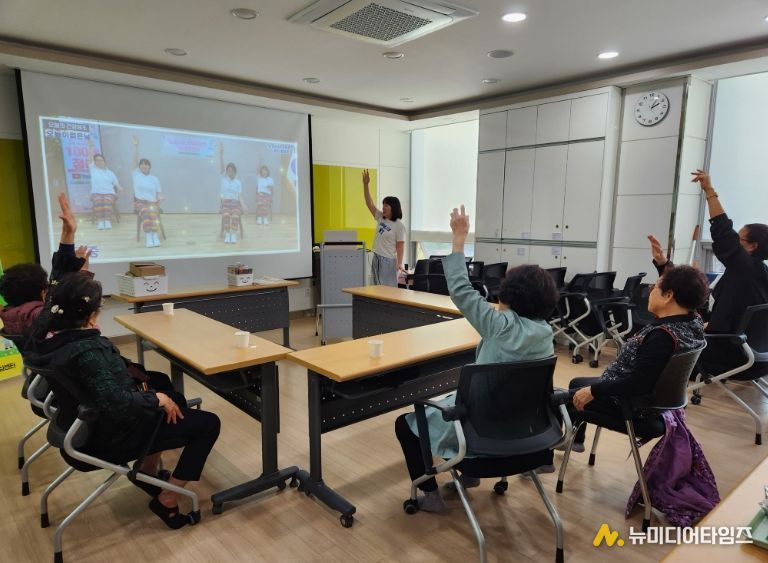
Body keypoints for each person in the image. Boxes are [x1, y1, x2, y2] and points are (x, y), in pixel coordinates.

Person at [394, 205, 559, 512]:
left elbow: (460, 289)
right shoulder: (546, 334)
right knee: (462, 399)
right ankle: (467, 474)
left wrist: (459, 238)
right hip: (520, 428)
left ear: (507, 295)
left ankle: (429, 495)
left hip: (481, 427)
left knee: (407, 423)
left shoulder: (500, 326)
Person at [25, 273, 221, 530]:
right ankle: (168, 497)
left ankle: (148, 473)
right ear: (91, 315)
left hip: (78, 427)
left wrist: (158, 397)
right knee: (208, 423)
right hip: (108, 437)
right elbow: (117, 403)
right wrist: (155, 398)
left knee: (174, 398)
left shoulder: (40, 342)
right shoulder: (88, 352)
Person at [568, 265, 709, 449]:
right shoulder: (693, 321)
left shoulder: (662, 337)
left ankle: (547, 456)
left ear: (668, 296)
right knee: (577, 383)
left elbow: (638, 384)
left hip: (631, 406)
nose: (650, 292)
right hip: (658, 404)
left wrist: (594, 391)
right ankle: (575, 442)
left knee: (557, 399)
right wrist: (663, 265)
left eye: (653, 288)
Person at [648, 169, 768, 368]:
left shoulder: (744, 268)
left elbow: (722, 230)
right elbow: (689, 288)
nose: (734, 244)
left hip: (731, 354)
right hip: (759, 357)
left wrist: (709, 191)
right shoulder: (758, 274)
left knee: (659, 343)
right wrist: (663, 263)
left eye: (739, 240)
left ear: (752, 246)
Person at [1, 193, 92, 347]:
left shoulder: (11, 314)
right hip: (68, 365)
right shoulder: (40, 317)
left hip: (46, 364)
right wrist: (82, 276)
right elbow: (65, 297)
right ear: (43, 293)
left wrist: (67, 234)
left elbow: (58, 279)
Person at [362, 169, 406, 287]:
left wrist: (399, 264)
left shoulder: (399, 226)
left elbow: (400, 247)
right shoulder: (381, 217)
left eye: (386, 205)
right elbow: (369, 203)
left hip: (388, 261)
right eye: (383, 205)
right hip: (377, 257)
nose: (383, 207)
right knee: (376, 288)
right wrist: (366, 185)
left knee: (387, 290)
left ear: (393, 207)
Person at [131, 136, 163, 248]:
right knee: (145, 212)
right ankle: (149, 236)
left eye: (146, 164)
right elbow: (134, 160)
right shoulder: (136, 175)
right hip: (140, 202)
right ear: (139, 166)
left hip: (152, 203)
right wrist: (136, 146)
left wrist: (160, 198)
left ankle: (155, 235)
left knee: (153, 212)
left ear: (149, 167)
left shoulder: (155, 179)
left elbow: (159, 193)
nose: (144, 165)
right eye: (142, 164)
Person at [87, 139, 123, 230]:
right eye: (97, 160)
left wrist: (119, 188)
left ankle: (107, 221)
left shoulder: (110, 173)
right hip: (96, 193)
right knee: (99, 201)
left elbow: (116, 184)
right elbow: (90, 157)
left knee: (106, 201)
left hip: (109, 193)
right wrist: (90, 147)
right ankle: (100, 221)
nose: (99, 162)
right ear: (95, 162)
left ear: (104, 161)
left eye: (101, 160)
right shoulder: (93, 169)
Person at [219, 143, 246, 244]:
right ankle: (227, 234)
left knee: (235, 215)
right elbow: (222, 167)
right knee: (226, 214)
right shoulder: (224, 179)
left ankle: (233, 234)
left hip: (235, 203)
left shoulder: (238, 182)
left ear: (235, 171)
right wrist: (221, 153)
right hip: (225, 202)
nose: (229, 172)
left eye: (231, 170)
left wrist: (243, 205)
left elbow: (240, 195)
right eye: (228, 170)